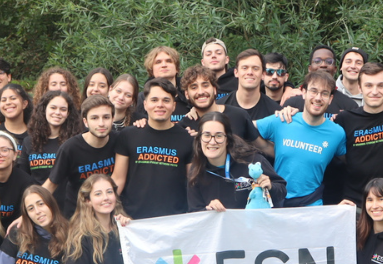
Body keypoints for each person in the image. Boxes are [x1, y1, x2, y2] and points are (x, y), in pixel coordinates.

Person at [256, 71, 347, 207]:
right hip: (277, 201)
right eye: (313, 91)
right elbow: (245, 127)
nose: (318, 98)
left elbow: (348, 162)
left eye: (324, 93)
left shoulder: (337, 133)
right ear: (303, 92)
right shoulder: (283, 119)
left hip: (311, 205)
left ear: (330, 99)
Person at [332, 63, 383, 203]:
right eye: (369, 85)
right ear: (360, 88)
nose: (375, 91)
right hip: (354, 203)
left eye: (381, 85)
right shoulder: (344, 119)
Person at [114, 78, 195, 218]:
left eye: (166, 100)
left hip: (174, 220)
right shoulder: (128, 135)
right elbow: (118, 179)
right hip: (133, 220)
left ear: (174, 106)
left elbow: (194, 183)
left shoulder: (187, 139)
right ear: (145, 104)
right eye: (154, 100)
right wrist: (108, 210)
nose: (160, 105)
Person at [186, 112, 285, 211]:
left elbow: (282, 191)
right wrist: (208, 211)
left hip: (252, 225)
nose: (212, 142)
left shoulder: (252, 161)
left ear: (227, 139)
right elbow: (195, 213)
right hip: (220, 226)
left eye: (219, 136)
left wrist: (271, 187)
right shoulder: (196, 172)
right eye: (207, 135)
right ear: (199, 139)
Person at [45, 95, 118, 218]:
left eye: (106, 117)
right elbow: (51, 184)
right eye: (94, 118)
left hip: (109, 212)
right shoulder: (70, 148)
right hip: (78, 216)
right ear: (85, 122)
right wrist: (27, 212)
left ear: (113, 118)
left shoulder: (119, 141)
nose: (101, 123)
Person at [179, 65, 270, 153]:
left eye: (205, 85)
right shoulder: (185, 127)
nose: (201, 92)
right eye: (194, 87)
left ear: (214, 89)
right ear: (187, 94)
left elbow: (263, 147)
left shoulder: (238, 115)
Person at [25, 90, 83, 186]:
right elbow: (24, 177)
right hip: (38, 198)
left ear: (68, 113)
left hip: (67, 200)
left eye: (63, 109)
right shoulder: (29, 142)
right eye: (53, 108)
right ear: (44, 109)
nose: (57, 112)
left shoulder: (74, 143)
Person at [282, 45, 358, 118]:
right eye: (317, 61)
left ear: (335, 69)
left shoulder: (349, 105)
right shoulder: (292, 102)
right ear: (310, 68)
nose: (323, 65)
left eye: (329, 61)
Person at [228, 49, 282, 121]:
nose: (250, 72)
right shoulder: (221, 107)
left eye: (255, 68)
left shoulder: (275, 113)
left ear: (263, 74)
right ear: (236, 72)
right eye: (245, 68)